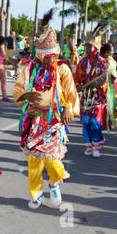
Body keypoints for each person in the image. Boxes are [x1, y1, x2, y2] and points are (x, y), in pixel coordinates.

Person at [13, 20, 79, 209]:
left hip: (54, 121)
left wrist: (68, 108)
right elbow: (18, 89)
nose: (51, 59)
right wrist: (25, 95)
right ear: (40, 55)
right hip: (34, 120)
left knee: (52, 161)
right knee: (34, 162)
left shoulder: (62, 69)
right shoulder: (29, 68)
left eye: (53, 55)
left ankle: (55, 184)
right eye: (47, 56)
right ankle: (37, 195)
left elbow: (71, 93)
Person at [74, 36, 111, 158]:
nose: (88, 48)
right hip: (85, 96)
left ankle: (96, 146)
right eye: (87, 46)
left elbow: (104, 81)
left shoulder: (103, 62)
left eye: (90, 46)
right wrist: (78, 85)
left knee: (95, 122)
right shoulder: (83, 62)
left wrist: (98, 84)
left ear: (96, 48)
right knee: (85, 122)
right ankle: (89, 145)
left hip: (97, 97)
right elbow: (77, 77)